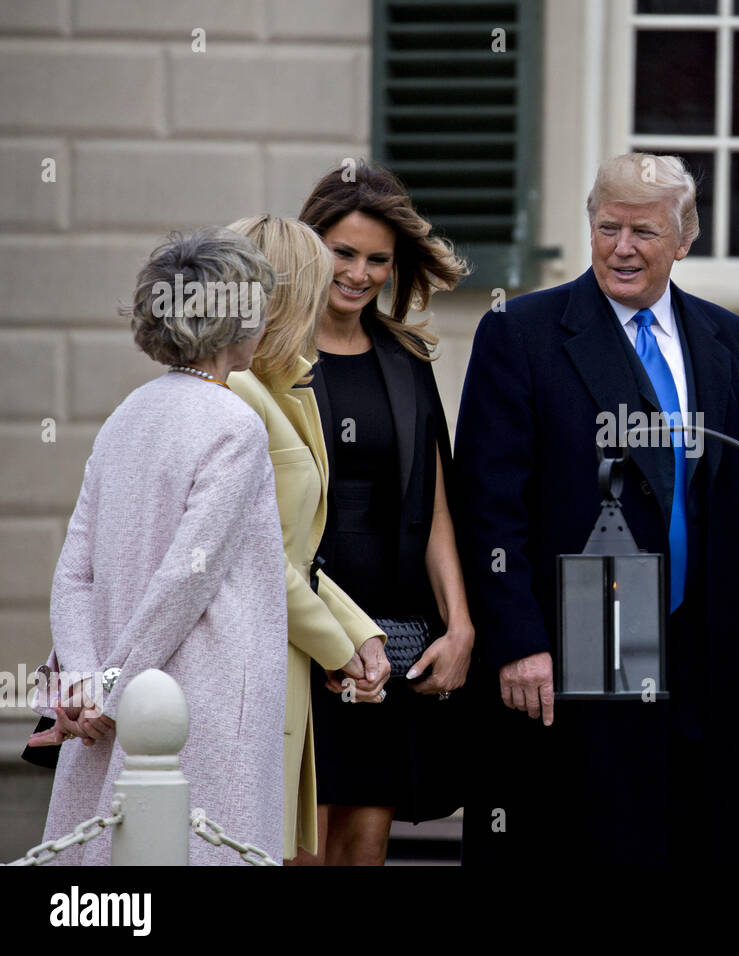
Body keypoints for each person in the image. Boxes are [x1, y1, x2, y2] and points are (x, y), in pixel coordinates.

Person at [456, 152, 739, 865]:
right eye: (608, 228)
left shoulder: (732, 340)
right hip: (576, 657)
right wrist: (516, 642)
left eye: (643, 232)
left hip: (706, 662)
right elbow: (488, 505)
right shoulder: (521, 332)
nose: (623, 248)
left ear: (684, 238)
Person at [34, 227, 287, 864]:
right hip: (194, 704)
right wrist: (112, 696)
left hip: (112, 703)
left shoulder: (129, 413)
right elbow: (186, 580)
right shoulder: (235, 424)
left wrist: (89, 686)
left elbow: (74, 573)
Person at [295, 163, 474, 866]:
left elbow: (434, 511)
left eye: (378, 259)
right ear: (311, 248)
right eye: (344, 252)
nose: (360, 273)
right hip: (299, 629)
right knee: (297, 843)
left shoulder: (406, 358)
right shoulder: (266, 355)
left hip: (391, 632)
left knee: (365, 845)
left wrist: (459, 627)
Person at [226, 215, 390, 863]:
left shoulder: (283, 388)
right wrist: (338, 645)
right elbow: (255, 552)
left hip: (281, 657)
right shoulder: (237, 392)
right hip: (243, 666)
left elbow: (297, 550)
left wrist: (360, 630)